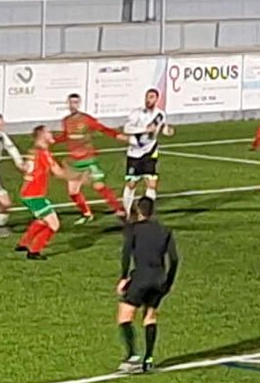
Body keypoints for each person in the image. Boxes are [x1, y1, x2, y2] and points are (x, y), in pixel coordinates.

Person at [115, 196, 179, 374]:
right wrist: (168, 282)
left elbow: (126, 254)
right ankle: (148, 359)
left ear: (138, 211)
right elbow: (174, 259)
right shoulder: (165, 231)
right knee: (150, 316)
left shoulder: (133, 230)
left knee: (125, 316)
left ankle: (132, 356)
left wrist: (123, 277)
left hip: (141, 278)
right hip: (159, 279)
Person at [53, 93, 126, 223]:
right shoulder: (66, 121)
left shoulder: (86, 119)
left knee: (99, 186)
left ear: (79, 104)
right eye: (71, 102)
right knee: (73, 192)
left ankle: (119, 210)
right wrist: (53, 140)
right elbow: (66, 136)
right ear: (68, 104)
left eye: (76, 102)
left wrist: (118, 136)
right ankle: (87, 214)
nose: (73, 105)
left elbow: (103, 129)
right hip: (74, 162)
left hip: (88, 160)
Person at [14, 125, 77, 260]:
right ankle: (34, 251)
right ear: (42, 135)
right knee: (54, 224)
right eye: (48, 132)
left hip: (29, 193)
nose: (51, 134)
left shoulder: (34, 151)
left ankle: (23, 243)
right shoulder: (43, 153)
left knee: (42, 220)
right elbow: (58, 172)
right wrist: (76, 176)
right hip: (34, 195)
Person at [122, 89, 170, 215]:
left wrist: (166, 130)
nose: (148, 100)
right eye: (147, 97)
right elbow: (127, 128)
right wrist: (144, 129)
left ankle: (147, 213)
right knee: (131, 184)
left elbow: (162, 126)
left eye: (152, 97)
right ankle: (127, 213)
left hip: (150, 152)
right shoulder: (137, 113)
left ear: (157, 99)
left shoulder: (160, 115)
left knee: (151, 184)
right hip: (135, 152)